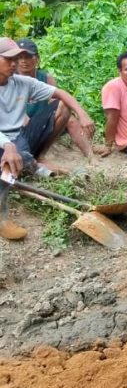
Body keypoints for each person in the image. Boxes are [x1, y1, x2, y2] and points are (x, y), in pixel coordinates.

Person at [0, 37, 96, 240]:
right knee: (9, 164)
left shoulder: (23, 83)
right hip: (4, 141)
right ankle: (2, 219)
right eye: (9, 59)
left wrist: (83, 114)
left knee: (21, 160)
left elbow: (60, 93)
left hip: (17, 139)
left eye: (15, 59)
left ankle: (37, 168)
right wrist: (7, 146)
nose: (15, 64)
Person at [15, 39, 95, 169]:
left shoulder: (44, 79)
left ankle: (91, 157)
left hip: (38, 124)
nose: (23, 61)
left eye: (28, 57)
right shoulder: (9, 80)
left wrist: (82, 114)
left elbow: (57, 102)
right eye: (20, 57)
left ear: (37, 58)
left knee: (67, 113)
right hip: (17, 130)